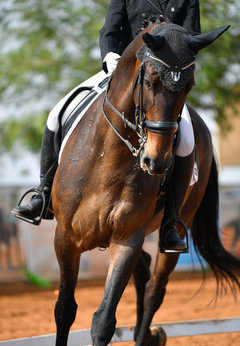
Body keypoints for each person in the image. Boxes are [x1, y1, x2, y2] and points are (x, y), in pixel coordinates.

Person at [12, 0, 201, 251]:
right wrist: (111, 55)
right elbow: (110, 29)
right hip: (123, 69)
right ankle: (43, 194)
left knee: (186, 139)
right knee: (57, 113)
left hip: (163, 81)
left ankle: (170, 221)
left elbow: (192, 37)